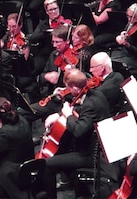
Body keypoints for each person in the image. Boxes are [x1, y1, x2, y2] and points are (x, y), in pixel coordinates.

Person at [39, 69, 113, 199]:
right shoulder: (96, 94)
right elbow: (81, 110)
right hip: (92, 144)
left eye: (68, 87)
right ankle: (80, 189)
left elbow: (79, 131)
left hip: (92, 154)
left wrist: (67, 115)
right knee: (62, 148)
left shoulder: (90, 104)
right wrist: (59, 114)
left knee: (48, 164)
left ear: (75, 87)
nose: (67, 90)